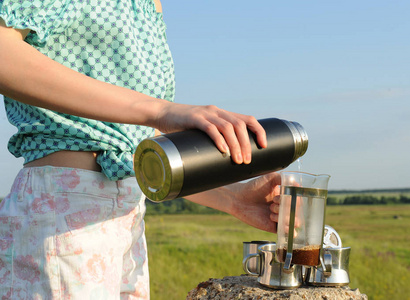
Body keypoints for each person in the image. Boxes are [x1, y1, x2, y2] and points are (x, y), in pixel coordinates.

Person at [0, 0, 281, 298]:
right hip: (62, 217)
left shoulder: (150, 5)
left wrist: (233, 199)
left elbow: (133, 141)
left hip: (128, 219)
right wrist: (159, 110)